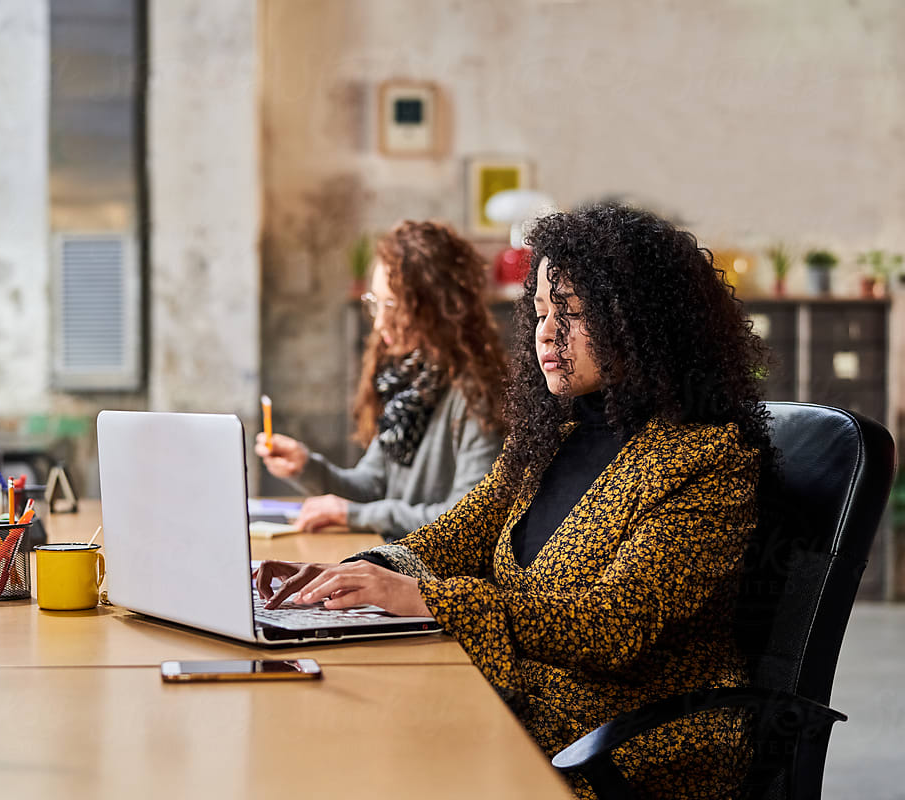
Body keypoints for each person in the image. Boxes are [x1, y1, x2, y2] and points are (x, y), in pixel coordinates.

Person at [256, 203, 775, 799]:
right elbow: (455, 534)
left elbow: (614, 624)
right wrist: (349, 575)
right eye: (541, 312)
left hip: (627, 747)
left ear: (642, 322)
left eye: (573, 314)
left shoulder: (708, 460)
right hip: (527, 709)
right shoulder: (554, 433)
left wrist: (431, 598)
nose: (547, 333)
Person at [255, 220, 508, 541]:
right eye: (376, 303)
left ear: (440, 308)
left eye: (394, 306)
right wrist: (306, 467)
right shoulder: (407, 380)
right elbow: (370, 487)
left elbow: (467, 521)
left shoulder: (478, 395)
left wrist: (355, 515)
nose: (380, 323)